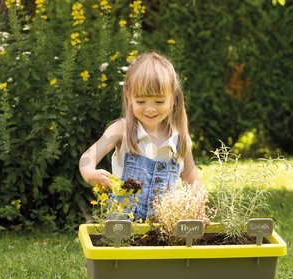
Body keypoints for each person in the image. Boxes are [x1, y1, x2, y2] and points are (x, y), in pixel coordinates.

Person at [79, 52, 203, 221]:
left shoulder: (179, 139)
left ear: (173, 98)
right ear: (129, 97)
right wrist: (89, 173)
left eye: (159, 101)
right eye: (141, 101)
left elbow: (190, 178)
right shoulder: (122, 130)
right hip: (122, 230)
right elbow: (88, 156)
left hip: (164, 231)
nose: (150, 109)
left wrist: (196, 207)